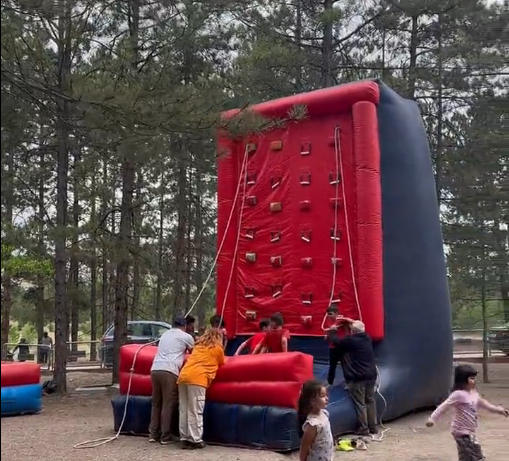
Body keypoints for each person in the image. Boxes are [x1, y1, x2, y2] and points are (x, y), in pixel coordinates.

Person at [426, 364, 508, 461]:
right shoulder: (458, 395)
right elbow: (444, 406)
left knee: (465, 457)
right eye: (471, 378)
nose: (474, 381)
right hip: (461, 432)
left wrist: (499, 410)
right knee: (476, 455)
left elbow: (485, 404)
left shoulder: (473, 393)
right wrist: (432, 418)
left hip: (470, 431)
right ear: (462, 379)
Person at [328, 319, 380, 440]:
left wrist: (332, 331)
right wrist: (349, 321)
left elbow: (336, 341)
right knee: (370, 401)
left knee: (360, 403)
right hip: (371, 375)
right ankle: (374, 427)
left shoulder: (350, 341)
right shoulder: (367, 338)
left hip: (358, 377)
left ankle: (363, 428)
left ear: (352, 331)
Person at [177, 327, 225, 449]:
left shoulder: (198, 347)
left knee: (184, 409)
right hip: (198, 379)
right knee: (195, 410)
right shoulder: (217, 349)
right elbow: (222, 362)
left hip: (183, 376)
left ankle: (184, 438)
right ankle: (195, 439)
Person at [149, 316, 194, 445]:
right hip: (170, 370)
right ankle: (166, 436)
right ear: (184, 325)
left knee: (156, 403)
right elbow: (194, 352)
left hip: (155, 368)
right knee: (168, 404)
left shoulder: (165, 334)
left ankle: (153, 434)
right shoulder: (186, 337)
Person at [298, 379, 334, 461]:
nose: (327, 398)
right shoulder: (313, 424)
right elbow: (304, 447)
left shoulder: (325, 414)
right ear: (312, 400)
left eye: (326, 395)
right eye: (322, 396)